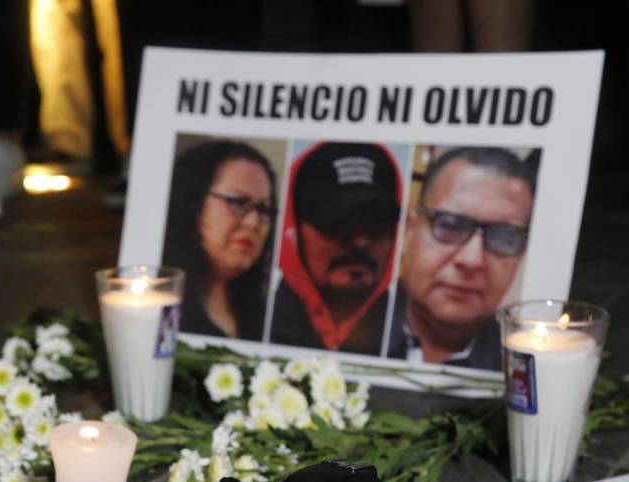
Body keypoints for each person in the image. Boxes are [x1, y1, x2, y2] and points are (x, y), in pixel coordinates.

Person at [385, 146, 537, 370]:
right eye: (450, 225)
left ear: (521, 254)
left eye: (503, 237)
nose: (471, 260)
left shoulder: (521, 367)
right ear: (409, 230)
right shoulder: (345, 332)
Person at [270, 142, 402, 354]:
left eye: (377, 223)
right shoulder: (254, 324)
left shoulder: (412, 342)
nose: (361, 242)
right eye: (338, 222)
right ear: (295, 230)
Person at [162, 139, 277, 339]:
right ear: (194, 204)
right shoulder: (159, 300)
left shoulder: (261, 312)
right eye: (237, 202)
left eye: (264, 210)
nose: (253, 223)